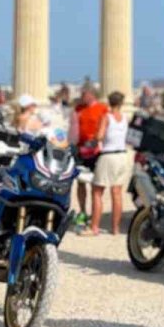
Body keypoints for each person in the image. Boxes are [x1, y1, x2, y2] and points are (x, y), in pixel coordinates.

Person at [91, 91, 130, 236]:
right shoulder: (125, 118)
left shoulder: (106, 117)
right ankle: (115, 228)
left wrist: (96, 138)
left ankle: (94, 227)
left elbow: (100, 136)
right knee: (117, 193)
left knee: (97, 191)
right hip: (122, 155)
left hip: (108, 155)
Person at [70, 84, 107, 231]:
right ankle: (83, 211)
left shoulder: (102, 108)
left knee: (95, 183)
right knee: (80, 182)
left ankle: (94, 214)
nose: (82, 97)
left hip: (95, 150)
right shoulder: (78, 109)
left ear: (92, 95)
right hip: (80, 149)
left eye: (84, 94)